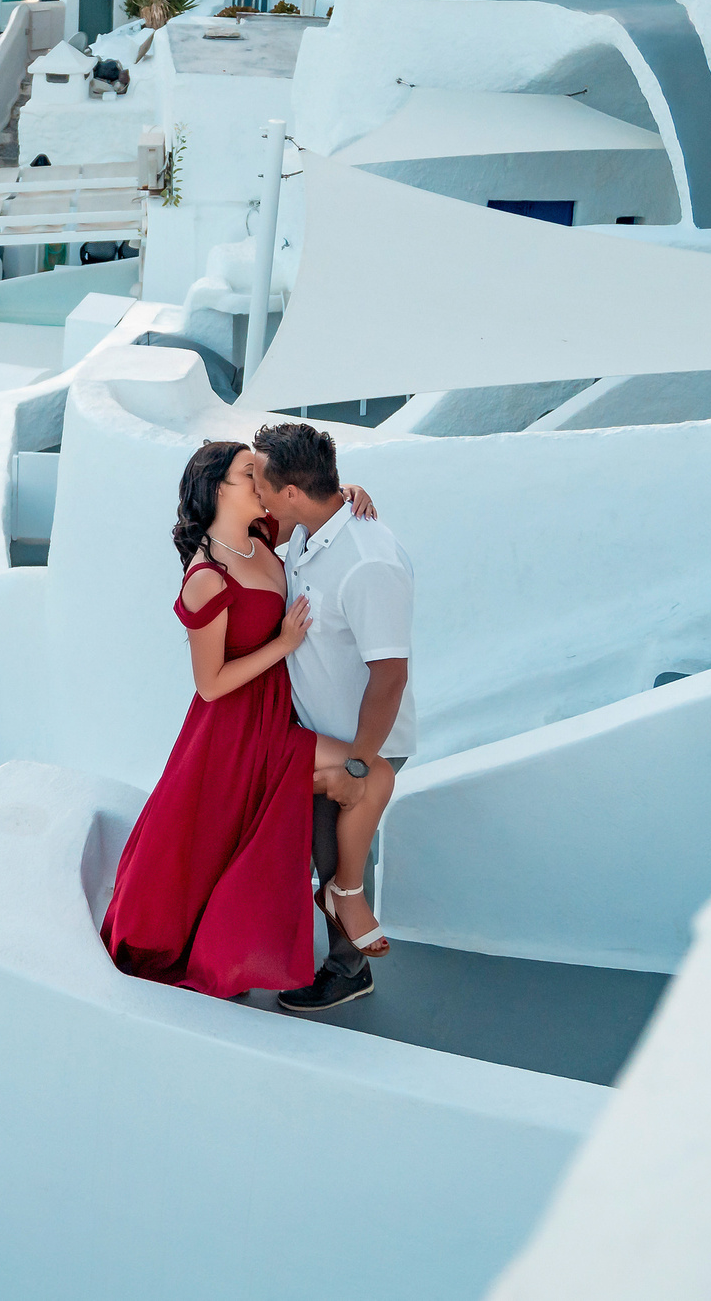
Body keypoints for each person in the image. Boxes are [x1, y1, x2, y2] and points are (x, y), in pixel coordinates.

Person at [101, 442, 317, 998]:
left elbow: (312, 511)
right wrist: (285, 643)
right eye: (251, 473)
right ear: (218, 487)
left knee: (233, 838)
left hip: (275, 711)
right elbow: (210, 682)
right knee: (210, 844)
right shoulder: (207, 576)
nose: (262, 480)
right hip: (230, 730)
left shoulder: (264, 534)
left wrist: (351, 498)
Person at [252, 421, 412, 1013]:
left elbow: (390, 676)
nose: (260, 497)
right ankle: (336, 926)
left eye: (265, 486)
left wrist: (359, 763)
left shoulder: (369, 563)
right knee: (317, 853)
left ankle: (348, 971)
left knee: (335, 854)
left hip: (359, 740)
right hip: (313, 732)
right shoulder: (308, 528)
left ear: (292, 491)